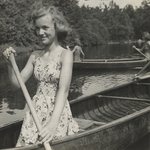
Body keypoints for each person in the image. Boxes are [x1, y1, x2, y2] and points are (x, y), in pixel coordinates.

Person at [3, 5, 79, 146]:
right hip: (35, 111)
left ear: (57, 27)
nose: (40, 32)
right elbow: (15, 84)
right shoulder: (34, 56)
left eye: (45, 27)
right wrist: (9, 64)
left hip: (57, 112)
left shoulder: (65, 55)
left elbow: (63, 91)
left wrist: (52, 124)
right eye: (37, 28)